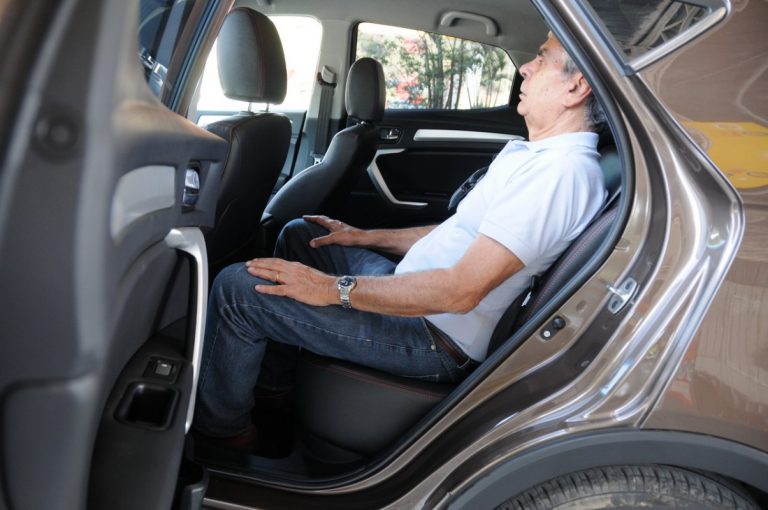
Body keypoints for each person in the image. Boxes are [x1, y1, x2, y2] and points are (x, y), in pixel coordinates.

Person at [193, 33, 607, 449]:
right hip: (420, 296)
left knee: (237, 291)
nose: (526, 68)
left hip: (434, 337)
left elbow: (461, 291)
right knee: (308, 236)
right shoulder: (538, 158)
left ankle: (227, 436)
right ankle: (274, 390)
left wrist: (330, 289)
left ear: (577, 87)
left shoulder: (559, 175)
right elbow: (457, 233)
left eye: (542, 59)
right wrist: (362, 236)